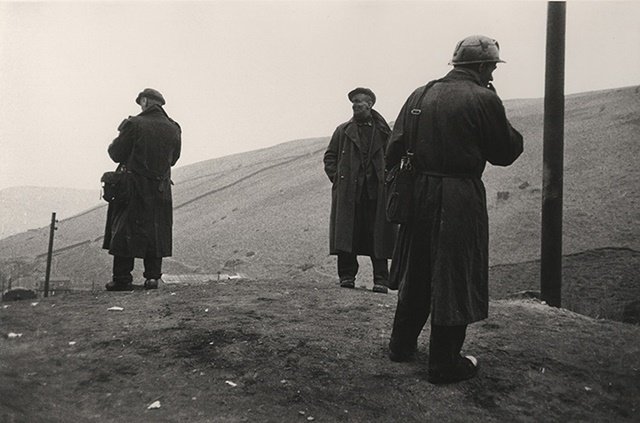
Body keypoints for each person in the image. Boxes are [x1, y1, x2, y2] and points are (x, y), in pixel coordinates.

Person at [385, 35, 523, 384]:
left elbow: (394, 147)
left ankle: (400, 347)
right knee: (455, 275)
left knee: (417, 270)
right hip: (459, 194)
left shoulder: (421, 93)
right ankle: (444, 364)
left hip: (419, 193)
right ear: (480, 66)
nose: (493, 70)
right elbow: (504, 153)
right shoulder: (483, 98)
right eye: (492, 65)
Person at [103, 88, 182, 291]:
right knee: (156, 230)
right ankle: (152, 278)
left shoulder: (134, 124)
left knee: (124, 228)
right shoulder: (174, 128)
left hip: (133, 186)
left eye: (141, 102)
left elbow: (116, 153)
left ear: (145, 101)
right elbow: (173, 159)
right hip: (160, 188)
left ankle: (122, 279)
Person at [323, 87, 396, 294]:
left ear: (370, 105)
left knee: (378, 234)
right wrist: (338, 179)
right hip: (349, 194)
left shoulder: (383, 132)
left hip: (377, 194)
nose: (355, 105)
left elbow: (394, 157)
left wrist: (388, 179)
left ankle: (381, 280)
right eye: (353, 102)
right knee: (348, 233)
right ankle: (346, 277)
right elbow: (330, 157)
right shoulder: (343, 131)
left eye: (359, 102)